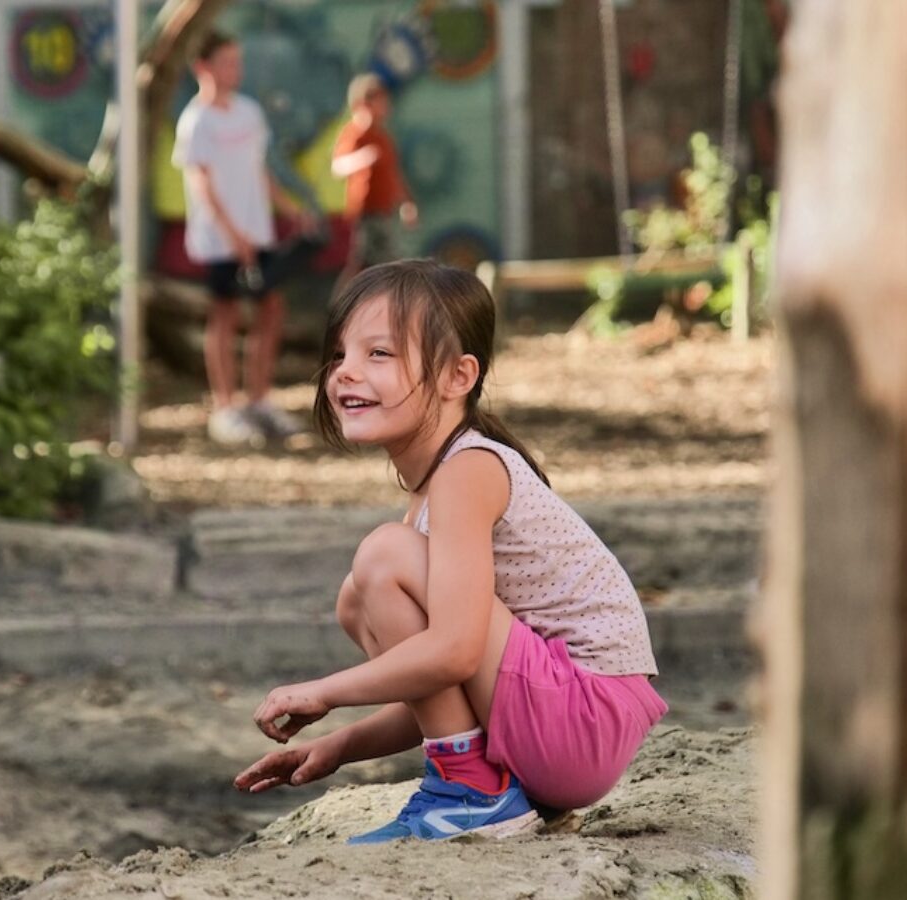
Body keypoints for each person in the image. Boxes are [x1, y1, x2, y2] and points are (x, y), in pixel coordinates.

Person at [232, 261, 666, 843]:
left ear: (458, 376)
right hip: (563, 728)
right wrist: (339, 747)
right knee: (357, 598)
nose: (345, 374)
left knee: (384, 559)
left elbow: (457, 653)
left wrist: (324, 692)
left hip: (585, 716)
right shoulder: (435, 489)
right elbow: (447, 694)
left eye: (378, 354)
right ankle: (481, 785)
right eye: (339, 355)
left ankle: (471, 794)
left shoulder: (470, 470)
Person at [173, 31, 310, 446]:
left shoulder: (249, 113)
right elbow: (202, 183)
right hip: (220, 241)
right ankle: (227, 407)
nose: (236, 69)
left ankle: (260, 401)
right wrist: (234, 236)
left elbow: (259, 170)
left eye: (238, 61)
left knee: (271, 309)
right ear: (203, 67)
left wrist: (290, 210)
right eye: (227, 62)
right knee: (226, 316)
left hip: (259, 233)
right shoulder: (196, 121)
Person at [331, 75, 417, 283]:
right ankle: (342, 307)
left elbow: (393, 173)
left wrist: (406, 202)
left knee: (371, 265)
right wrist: (361, 158)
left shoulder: (383, 137)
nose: (386, 107)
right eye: (381, 101)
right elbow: (338, 166)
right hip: (364, 215)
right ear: (363, 103)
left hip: (383, 212)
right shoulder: (355, 134)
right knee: (369, 264)